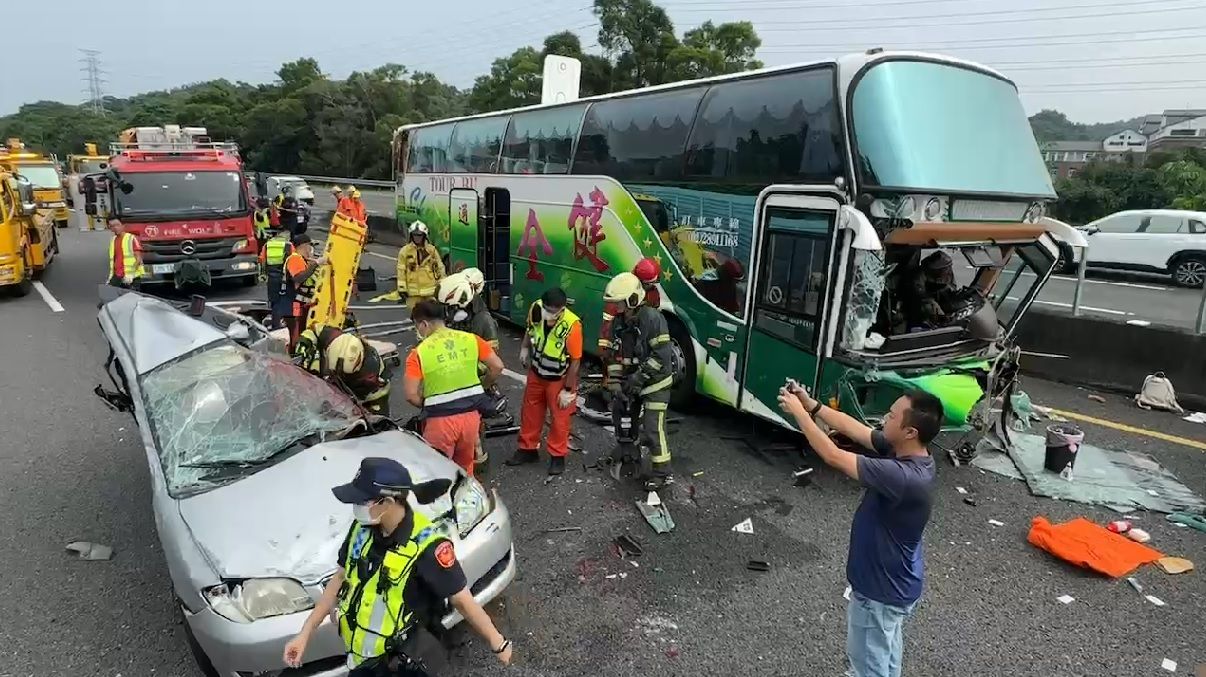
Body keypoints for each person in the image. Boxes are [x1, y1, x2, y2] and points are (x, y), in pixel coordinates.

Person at [283, 457, 513, 675]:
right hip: (360, 660)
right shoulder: (361, 531)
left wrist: (497, 642)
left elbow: (461, 600)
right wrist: (305, 633)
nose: (355, 506)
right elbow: (340, 577)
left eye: (361, 501)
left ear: (389, 502)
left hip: (400, 664)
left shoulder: (427, 547)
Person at [776, 384, 941, 677]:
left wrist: (798, 414)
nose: (884, 420)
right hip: (896, 586)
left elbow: (833, 456)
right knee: (884, 654)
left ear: (910, 432)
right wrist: (813, 406)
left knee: (867, 667)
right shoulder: (908, 452)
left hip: (879, 591)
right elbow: (856, 429)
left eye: (891, 416)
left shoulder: (903, 476)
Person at [403, 299, 503, 476]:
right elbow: (497, 366)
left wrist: (428, 403)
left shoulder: (418, 353)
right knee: (465, 469)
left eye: (417, 326)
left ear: (424, 324)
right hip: (471, 417)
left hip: (440, 422)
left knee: (438, 471)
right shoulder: (471, 339)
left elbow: (411, 395)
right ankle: (468, 500)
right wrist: (482, 386)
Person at [602, 272, 676, 489]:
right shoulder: (619, 322)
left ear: (633, 300)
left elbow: (660, 357)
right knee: (622, 416)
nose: (616, 308)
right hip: (631, 380)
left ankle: (662, 473)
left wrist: (637, 379)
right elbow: (615, 355)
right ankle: (630, 454)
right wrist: (615, 383)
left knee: (653, 427)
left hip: (656, 383)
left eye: (619, 303)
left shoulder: (653, 319)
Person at [507, 287, 582, 476]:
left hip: (559, 378)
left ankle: (558, 456)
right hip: (537, 372)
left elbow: (575, 361)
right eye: (547, 308)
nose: (548, 313)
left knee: (559, 419)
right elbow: (530, 329)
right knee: (530, 411)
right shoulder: (536, 309)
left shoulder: (572, 325)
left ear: (562, 309)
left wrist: (567, 389)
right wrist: (524, 348)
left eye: (553, 311)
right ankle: (527, 449)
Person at [437, 273, 508, 470]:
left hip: (475, 381)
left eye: (451, 307)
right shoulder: (458, 316)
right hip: (455, 380)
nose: (448, 313)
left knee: (474, 428)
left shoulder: (484, 321)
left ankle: (477, 463)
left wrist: (476, 381)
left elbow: (492, 361)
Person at [294, 326, 392, 415]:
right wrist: (306, 341)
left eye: (342, 374)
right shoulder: (338, 340)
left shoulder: (370, 378)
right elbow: (317, 329)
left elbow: (361, 403)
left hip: (370, 400)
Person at [282, 233, 325, 350]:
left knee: (302, 331)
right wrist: (315, 264)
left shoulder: (303, 260)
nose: (311, 250)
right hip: (295, 304)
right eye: (309, 246)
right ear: (303, 246)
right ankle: (297, 356)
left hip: (301, 304)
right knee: (297, 334)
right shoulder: (295, 258)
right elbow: (299, 278)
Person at [396, 221, 445, 312]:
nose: (417, 238)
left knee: (431, 316)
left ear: (424, 236)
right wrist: (402, 288)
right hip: (413, 293)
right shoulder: (405, 251)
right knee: (416, 318)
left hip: (430, 292)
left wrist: (442, 285)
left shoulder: (432, 251)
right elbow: (401, 270)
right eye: (415, 235)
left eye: (419, 235)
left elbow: (439, 268)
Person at [259, 228, 295, 328]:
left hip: (271, 278)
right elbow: (294, 259)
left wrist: (263, 275)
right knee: (287, 302)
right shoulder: (288, 245)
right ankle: (288, 325)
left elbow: (262, 260)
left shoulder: (267, 245)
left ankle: (276, 325)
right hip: (286, 278)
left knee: (274, 302)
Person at [106, 217, 144, 289]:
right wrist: (110, 277)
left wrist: (130, 275)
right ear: (110, 228)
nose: (115, 228)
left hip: (131, 278)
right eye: (112, 226)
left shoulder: (131, 238)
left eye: (117, 225)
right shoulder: (113, 240)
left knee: (131, 299)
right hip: (117, 276)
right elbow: (113, 260)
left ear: (122, 225)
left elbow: (138, 259)